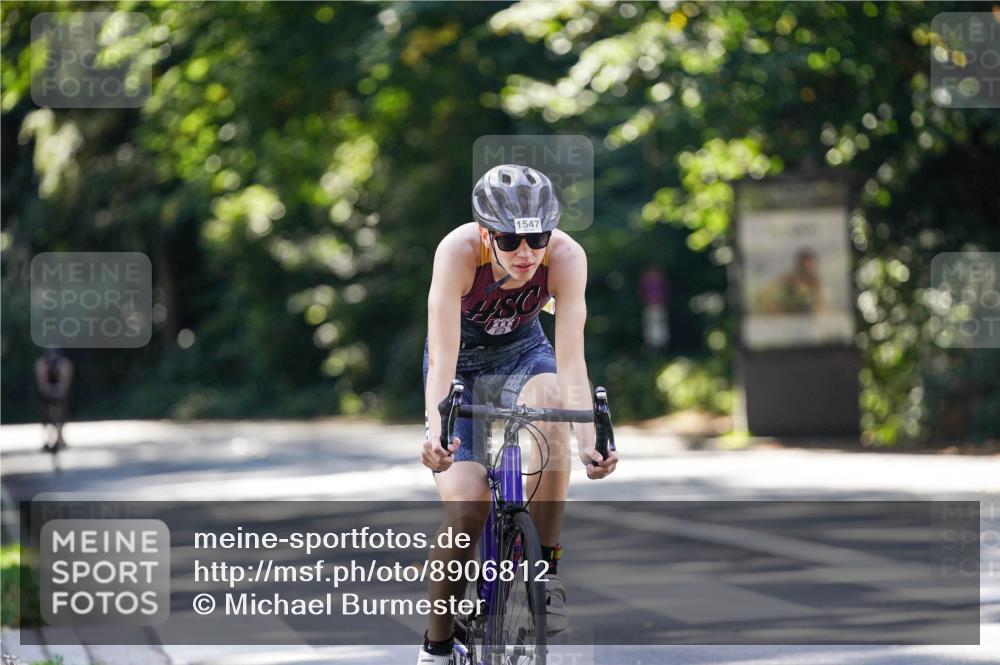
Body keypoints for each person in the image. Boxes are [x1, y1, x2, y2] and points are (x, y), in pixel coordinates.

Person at [417, 164, 619, 664]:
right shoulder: (458, 253)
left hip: (524, 354)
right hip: (460, 363)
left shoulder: (567, 258)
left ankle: (543, 570)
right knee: (466, 510)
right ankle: (437, 644)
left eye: (538, 238)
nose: (526, 254)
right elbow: (442, 356)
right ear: (486, 234)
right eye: (509, 241)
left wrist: (591, 439)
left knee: (553, 398)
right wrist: (438, 431)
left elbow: (572, 360)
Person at [35, 348, 73, 453]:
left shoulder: (64, 364)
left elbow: (65, 381)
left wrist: (59, 391)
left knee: (62, 412)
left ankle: (60, 437)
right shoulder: (42, 364)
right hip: (47, 392)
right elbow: (42, 382)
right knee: (45, 415)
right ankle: (48, 439)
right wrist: (48, 391)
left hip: (60, 391)